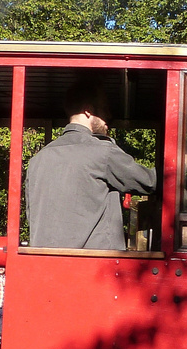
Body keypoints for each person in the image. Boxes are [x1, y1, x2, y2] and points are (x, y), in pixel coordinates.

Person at [26, 78, 158, 249]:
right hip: (95, 266)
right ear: (88, 111)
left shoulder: (38, 161)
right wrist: (182, 165)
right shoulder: (102, 152)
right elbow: (151, 181)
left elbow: (32, 215)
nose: (108, 117)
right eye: (104, 110)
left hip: (45, 266)